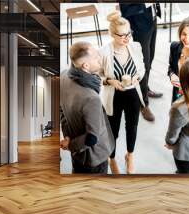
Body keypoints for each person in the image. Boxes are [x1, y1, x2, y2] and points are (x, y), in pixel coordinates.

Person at [98, 11, 145, 174]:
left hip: (133, 94)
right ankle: (111, 158)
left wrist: (137, 77)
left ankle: (129, 156)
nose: (127, 38)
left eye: (129, 33)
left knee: (132, 127)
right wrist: (110, 81)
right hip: (113, 96)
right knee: (113, 130)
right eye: (122, 35)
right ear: (112, 34)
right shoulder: (104, 52)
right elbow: (97, 76)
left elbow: (142, 69)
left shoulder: (135, 47)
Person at [60, 41, 114, 174]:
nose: (100, 58)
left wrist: (68, 136)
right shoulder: (91, 98)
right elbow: (92, 138)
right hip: (94, 159)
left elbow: (61, 110)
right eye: (96, 58)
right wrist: (70, 145)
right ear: (86, 65)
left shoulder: (63, 76)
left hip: (77, 154)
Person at [120, 3, 163, 122]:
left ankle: (145, 88)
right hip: (139, 25)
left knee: (151, 58)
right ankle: (143, 104)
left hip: (152, 19)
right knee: (144, 65)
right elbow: (125, 8)